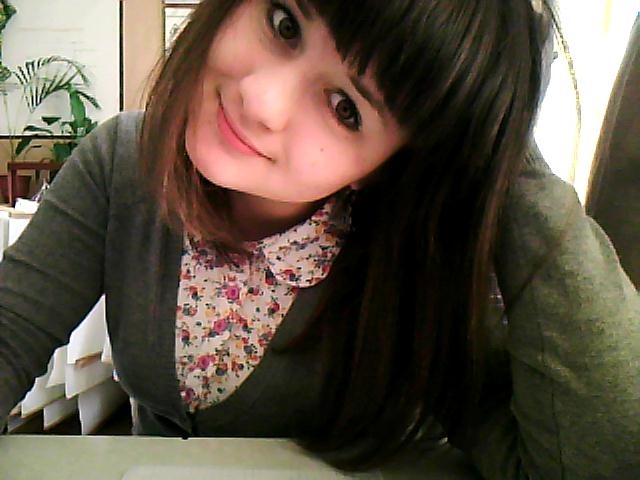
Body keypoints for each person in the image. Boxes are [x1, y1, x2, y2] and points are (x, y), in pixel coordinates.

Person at [1, 0, 638, 478]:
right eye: (284, 24)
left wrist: (502, 149)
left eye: (345, 109)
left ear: (389, 165)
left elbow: (588, 462)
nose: (262, 100)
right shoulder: (124, 164)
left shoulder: (412, 258)